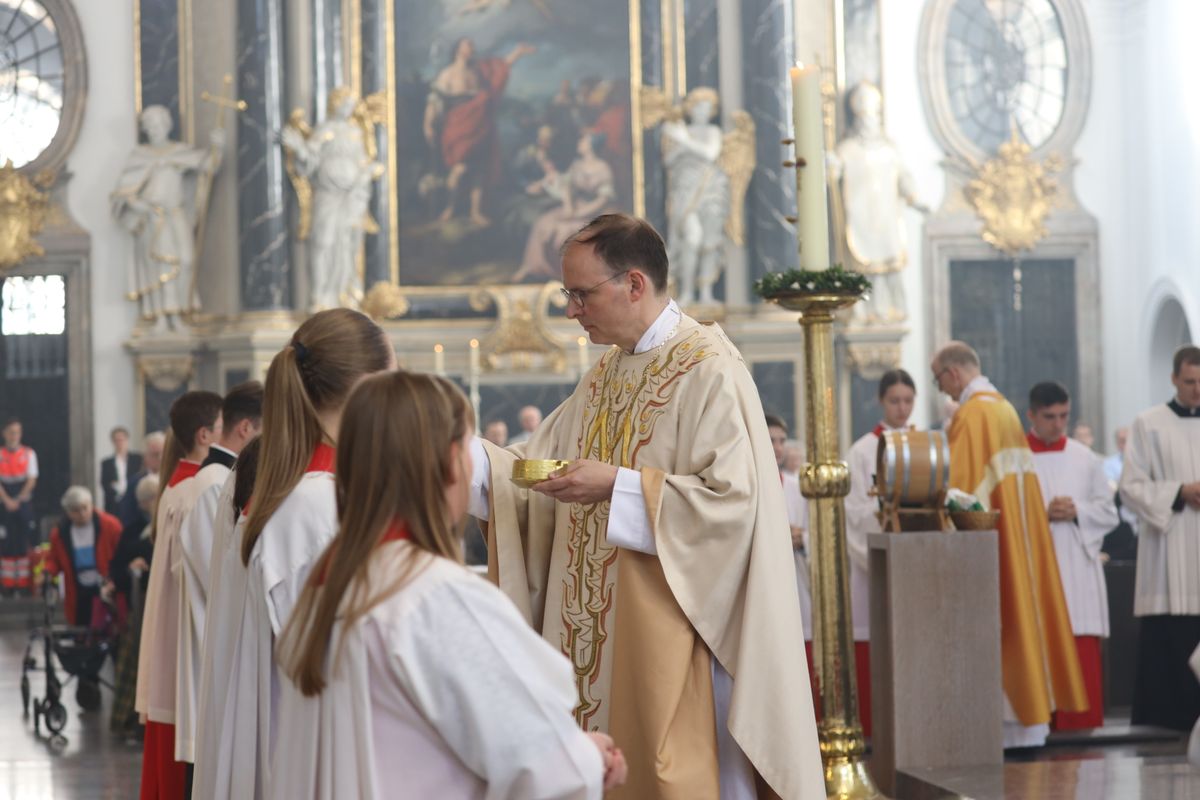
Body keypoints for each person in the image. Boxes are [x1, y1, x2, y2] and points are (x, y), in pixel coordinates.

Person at [472, 214, 823, 798]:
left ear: (633, 284)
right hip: (596, 634)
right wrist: (469, 464)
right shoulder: (608, 371)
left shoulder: (710, 370)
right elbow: (536, 464)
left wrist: (620, 487)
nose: (570, 310)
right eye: (568, 294)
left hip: (672, 637)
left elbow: (733, 508)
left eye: (580, 294)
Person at [272, 370, 625, 798]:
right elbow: (546, 770)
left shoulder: (325, 585)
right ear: (449, 466)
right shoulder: (435, 597)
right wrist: (589, 757)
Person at [194, 309, 394, 800]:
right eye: (394, 380)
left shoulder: (264, 470)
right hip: (309, 752)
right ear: (368, 385)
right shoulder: (319, 502)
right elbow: (338, 661)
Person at [932, 341, 1087, 747]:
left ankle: (1009, 728)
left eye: (939, 382)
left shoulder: (972, 413)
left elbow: (960, 492)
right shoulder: (1002, 408)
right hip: (1018, 540)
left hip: (987, 547)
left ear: (953, 374)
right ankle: (1030, 724)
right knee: (1023, 613)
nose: (943, 391)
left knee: (1003, 621)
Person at [136, 390, 223, 800]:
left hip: (174, 637)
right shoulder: (198, 490)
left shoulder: (181, 484)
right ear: (205, 434)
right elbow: (211, 578)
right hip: (187, 637)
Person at [174, 381, 263, 770]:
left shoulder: (214, 478)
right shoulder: (214, 483)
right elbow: (221, 577)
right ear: (247, 427)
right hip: (215, 632)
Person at [1026, 381, 1118, 730]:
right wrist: (1041, 513)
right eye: (1050, 417)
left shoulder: (1084, 457)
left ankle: (1081, 726)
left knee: (1080, 650)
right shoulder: (1016, 457)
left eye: (1064, 415)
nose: (1058, 424)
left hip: (1077, 569)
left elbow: (1108, 512)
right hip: (1037, 570)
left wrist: (1077, 510)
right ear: (1031, 415)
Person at [1120, 344, 1200, 732]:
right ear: (1173, 379)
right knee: (1169, 640)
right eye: (1190, 382)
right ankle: (1166, 721)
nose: (1197, 389)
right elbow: (1131, 487)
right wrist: (1179, 492)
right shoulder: (1147, 423)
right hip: (1170, 551)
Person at [844, 368, 918, 738]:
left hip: (918, 568)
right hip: (873, 568)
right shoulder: (862, 451)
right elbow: (855, 512)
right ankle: (876, 733)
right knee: (874, 643)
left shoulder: (926, 445)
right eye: (895, 401)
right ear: (881, 401)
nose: (902, 408)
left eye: (908, 400)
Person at [111, 105, 224, 328]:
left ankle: (181, 311)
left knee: (186, 260)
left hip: (175, 213)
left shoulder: (180, 152)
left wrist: (218, 147)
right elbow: (122, 194)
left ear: (167, 125)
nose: (154, 129)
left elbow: (208, 166)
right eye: (149, 125)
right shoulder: (139, 156)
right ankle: (163, 316)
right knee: (159, 266)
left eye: (158, 123)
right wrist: (140, 206)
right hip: (152, 217)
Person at [827, 82, 927, 324]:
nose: (868, 122)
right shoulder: (847, 149)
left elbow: (904, 178)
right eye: (863, 116)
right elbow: (834, 172)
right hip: (859, 216)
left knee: (887, 265)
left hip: (885, 218)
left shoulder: (889, 150)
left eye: (871, 115)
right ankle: (860, 309)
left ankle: (887, 308)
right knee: (861, 264)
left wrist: (915, 199)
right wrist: (830, 165)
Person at [281, 88, 384, 312]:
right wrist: (298, 147)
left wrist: (370, 170)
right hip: (328, 195)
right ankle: (320, 296)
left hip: (353, 195)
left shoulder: (356, 132)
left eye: (351, 104)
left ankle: (346, 295)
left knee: (348, 244)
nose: (348, 108)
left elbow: (362, 161)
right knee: (323, 242)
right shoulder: (325, 130)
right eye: (345, 102)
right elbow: (309, 163)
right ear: (335, 104)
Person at [424, 38, 534, 226]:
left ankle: (475, 211)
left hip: (479, 125)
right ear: (458, 49)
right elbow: (435, 101)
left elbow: (499, 68)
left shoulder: (478, 71)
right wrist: (427, 123)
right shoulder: (447, 74)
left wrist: (517, 53)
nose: (471, 49)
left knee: (478, 170)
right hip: (458, 124)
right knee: (458, 169)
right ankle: (450, 207)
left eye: (472, 46)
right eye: (468, 46)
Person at [661, 87, 730, 306]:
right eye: (699, 106)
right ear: (690, 108)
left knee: (709, 242)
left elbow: (710, 154)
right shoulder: (678, 130)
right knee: (691, 238)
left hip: (710, 192)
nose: (703, 111)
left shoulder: (712, 132)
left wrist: (684, 141)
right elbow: (669, 161)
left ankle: (706, 292)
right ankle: (688, 291)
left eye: (708, 107)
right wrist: (681, 143)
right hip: (684, 192)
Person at [515, 131, 615, 281]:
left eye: (583, 141)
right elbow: (568, 187)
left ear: (591, 146)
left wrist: (579, 213)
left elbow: (603, 199)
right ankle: (530, 266)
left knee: (566, 231)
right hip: (574, 205)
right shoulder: (577, 164)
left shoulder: (603, 168)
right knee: (543, 223)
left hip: (594, 210)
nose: (580, 143)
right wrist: (568, 206)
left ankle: (567, 275)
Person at [110, 473, 160, 739]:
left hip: (162, 609)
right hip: (139, 609)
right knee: (136, 667)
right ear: (143, 502)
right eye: (152, 497)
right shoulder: (130, 532)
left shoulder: (167, 522)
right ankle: (132, 719)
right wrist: (131, 568)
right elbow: (116, 570)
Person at [43, 487, 123, 626]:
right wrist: (48, 572)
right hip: (76, 585)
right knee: (80, 621)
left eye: (85, 508)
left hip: (105, 583)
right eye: (76, 510)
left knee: (106, 624)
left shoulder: (110, 525)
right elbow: (54, 559)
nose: (82, 514)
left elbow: (122, 553)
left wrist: (114, 577)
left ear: (91, 505)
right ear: (68, 512)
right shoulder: (60, 533)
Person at [0, 417, 38, 595]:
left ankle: (23, 584)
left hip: (22, 501)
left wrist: (18, 500)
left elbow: (31, 479)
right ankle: (7, 584)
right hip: (4, 501)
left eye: (17, 432)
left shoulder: (28, 453)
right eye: (11, 432)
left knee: (23, 541)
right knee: (6, 542)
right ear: (4, 433)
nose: (14, 435)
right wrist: (7, 500)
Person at [117, 431, 165, 535]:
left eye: (163, 453)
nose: (160, 458)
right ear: (145, 457)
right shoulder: (135, 483)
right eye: (155, 454)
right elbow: (127, 516)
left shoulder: (175, 479)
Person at [101, 426, 143, 514]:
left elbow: (140, 477)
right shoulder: (106, 463)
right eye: (116, 440)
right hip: (114, 503)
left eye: (122, 440)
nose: (119, 443)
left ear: (127, 440)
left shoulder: (137, 459)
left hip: (134, 500)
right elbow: (104, 483)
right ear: (112, 442)